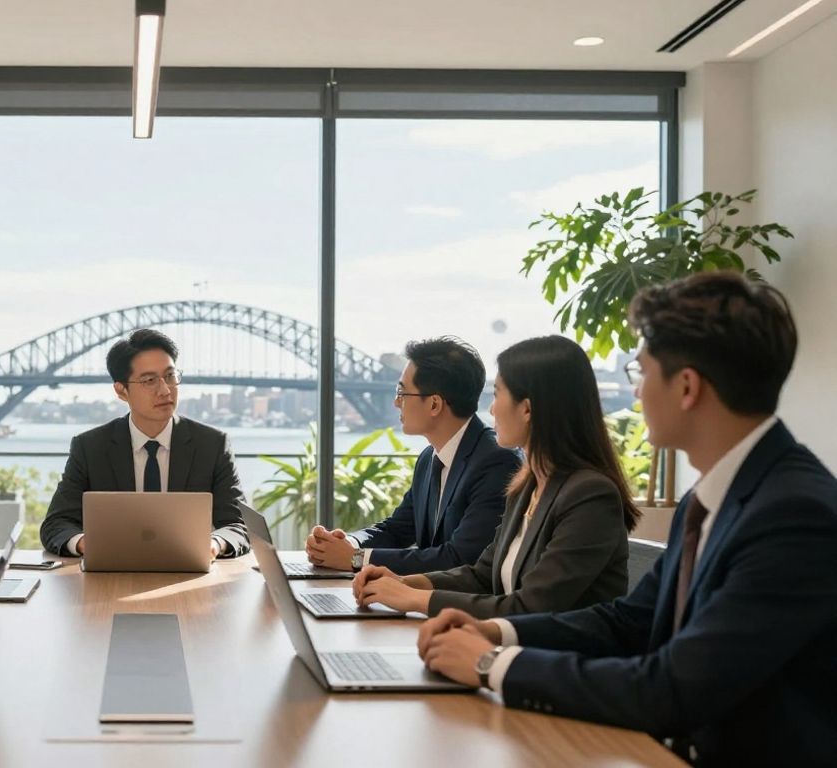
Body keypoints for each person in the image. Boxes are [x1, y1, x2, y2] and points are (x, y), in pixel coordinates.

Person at [416, 272, 837, 765]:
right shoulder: (711, 497)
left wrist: (492, 664)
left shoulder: (794, 515)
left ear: (686, 387)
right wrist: (501, 633)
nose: (635, 395)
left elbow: (673, 688)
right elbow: (628, 622)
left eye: (641, 374)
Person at [354, 335, 637, 618]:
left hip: (561, 657)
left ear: (526, 409)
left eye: (498, 394)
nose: (490, 409)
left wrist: (416, 599)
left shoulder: (590, 495)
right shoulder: (527, 486)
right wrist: (402, 583)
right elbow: (482, 575)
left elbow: (531, 606)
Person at [305, 337, 519, 574]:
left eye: (402, 392)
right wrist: (349, 543)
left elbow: (460, 558)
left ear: (435, 405)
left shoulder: (496, 462)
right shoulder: (430, 459)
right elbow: (397, 529)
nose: (396, 402)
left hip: (457, 608)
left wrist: (356, 559)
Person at [39, 329, 249, 558]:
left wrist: (215, 543)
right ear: (121, 391)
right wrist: (84, 543)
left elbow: (238, 525)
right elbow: (56, 524)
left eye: (170, 376)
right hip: (111, 575)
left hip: (190, 575)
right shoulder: (90, 448)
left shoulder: (212, 445)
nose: (165, 390)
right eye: (149, 380)